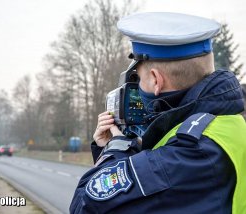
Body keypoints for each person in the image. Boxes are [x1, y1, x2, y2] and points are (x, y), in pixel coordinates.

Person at [69, 12, 246, 214]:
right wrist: (137, 146)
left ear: (155, 80)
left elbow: (87, 205)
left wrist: (116, 149)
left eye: (138, 78)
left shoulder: (191, 150)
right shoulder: (230, 121)